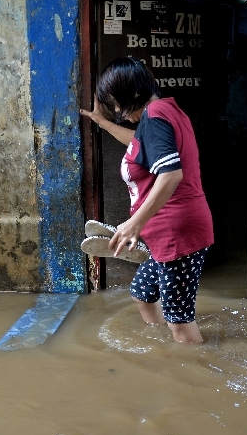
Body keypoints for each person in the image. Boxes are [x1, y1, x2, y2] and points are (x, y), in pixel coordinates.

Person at [80, 57, 213, 344]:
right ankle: (161, 347)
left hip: (177, 234)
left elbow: (171, 175)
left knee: (180, 320)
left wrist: (132, 225)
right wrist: (102, 123)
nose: (117, 111)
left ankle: (190, 370)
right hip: (168, 232)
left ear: (131, 94)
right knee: (143, 293)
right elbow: (137, 143)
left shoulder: (154, 116)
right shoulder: (163, 112)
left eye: (115, 103)